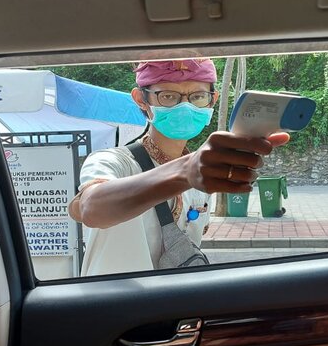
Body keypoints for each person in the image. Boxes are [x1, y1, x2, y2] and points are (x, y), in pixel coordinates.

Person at [69, 58, 289, 275]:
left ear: (213, 100)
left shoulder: (202, 173)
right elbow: (91, 208)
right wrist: (185, 171)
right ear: (141, 99)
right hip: (114, 308)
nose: (185, 106)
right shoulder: (112, 161)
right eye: (168, 96)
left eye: (198, 96)